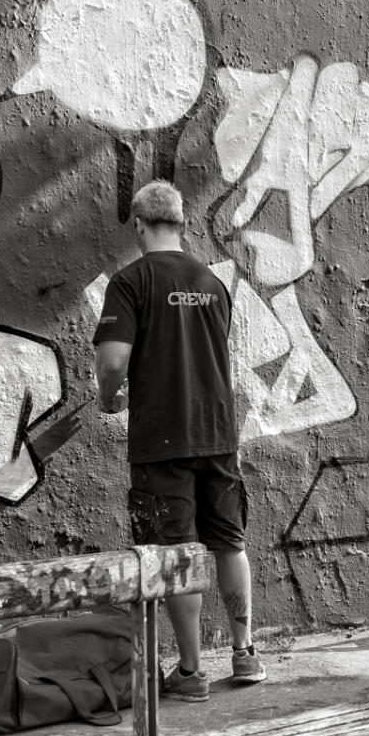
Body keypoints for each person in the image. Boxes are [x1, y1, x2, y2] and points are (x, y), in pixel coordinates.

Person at [94, 179, 265, 699]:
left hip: (163, 441)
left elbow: (114, 360)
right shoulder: (214, 284)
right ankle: (245, 653)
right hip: (219, 434)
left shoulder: (130, 282)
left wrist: (108, 398)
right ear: (183, 223)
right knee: (230, 543)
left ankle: (191, 671)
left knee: (177, 555)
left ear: (139, 224)